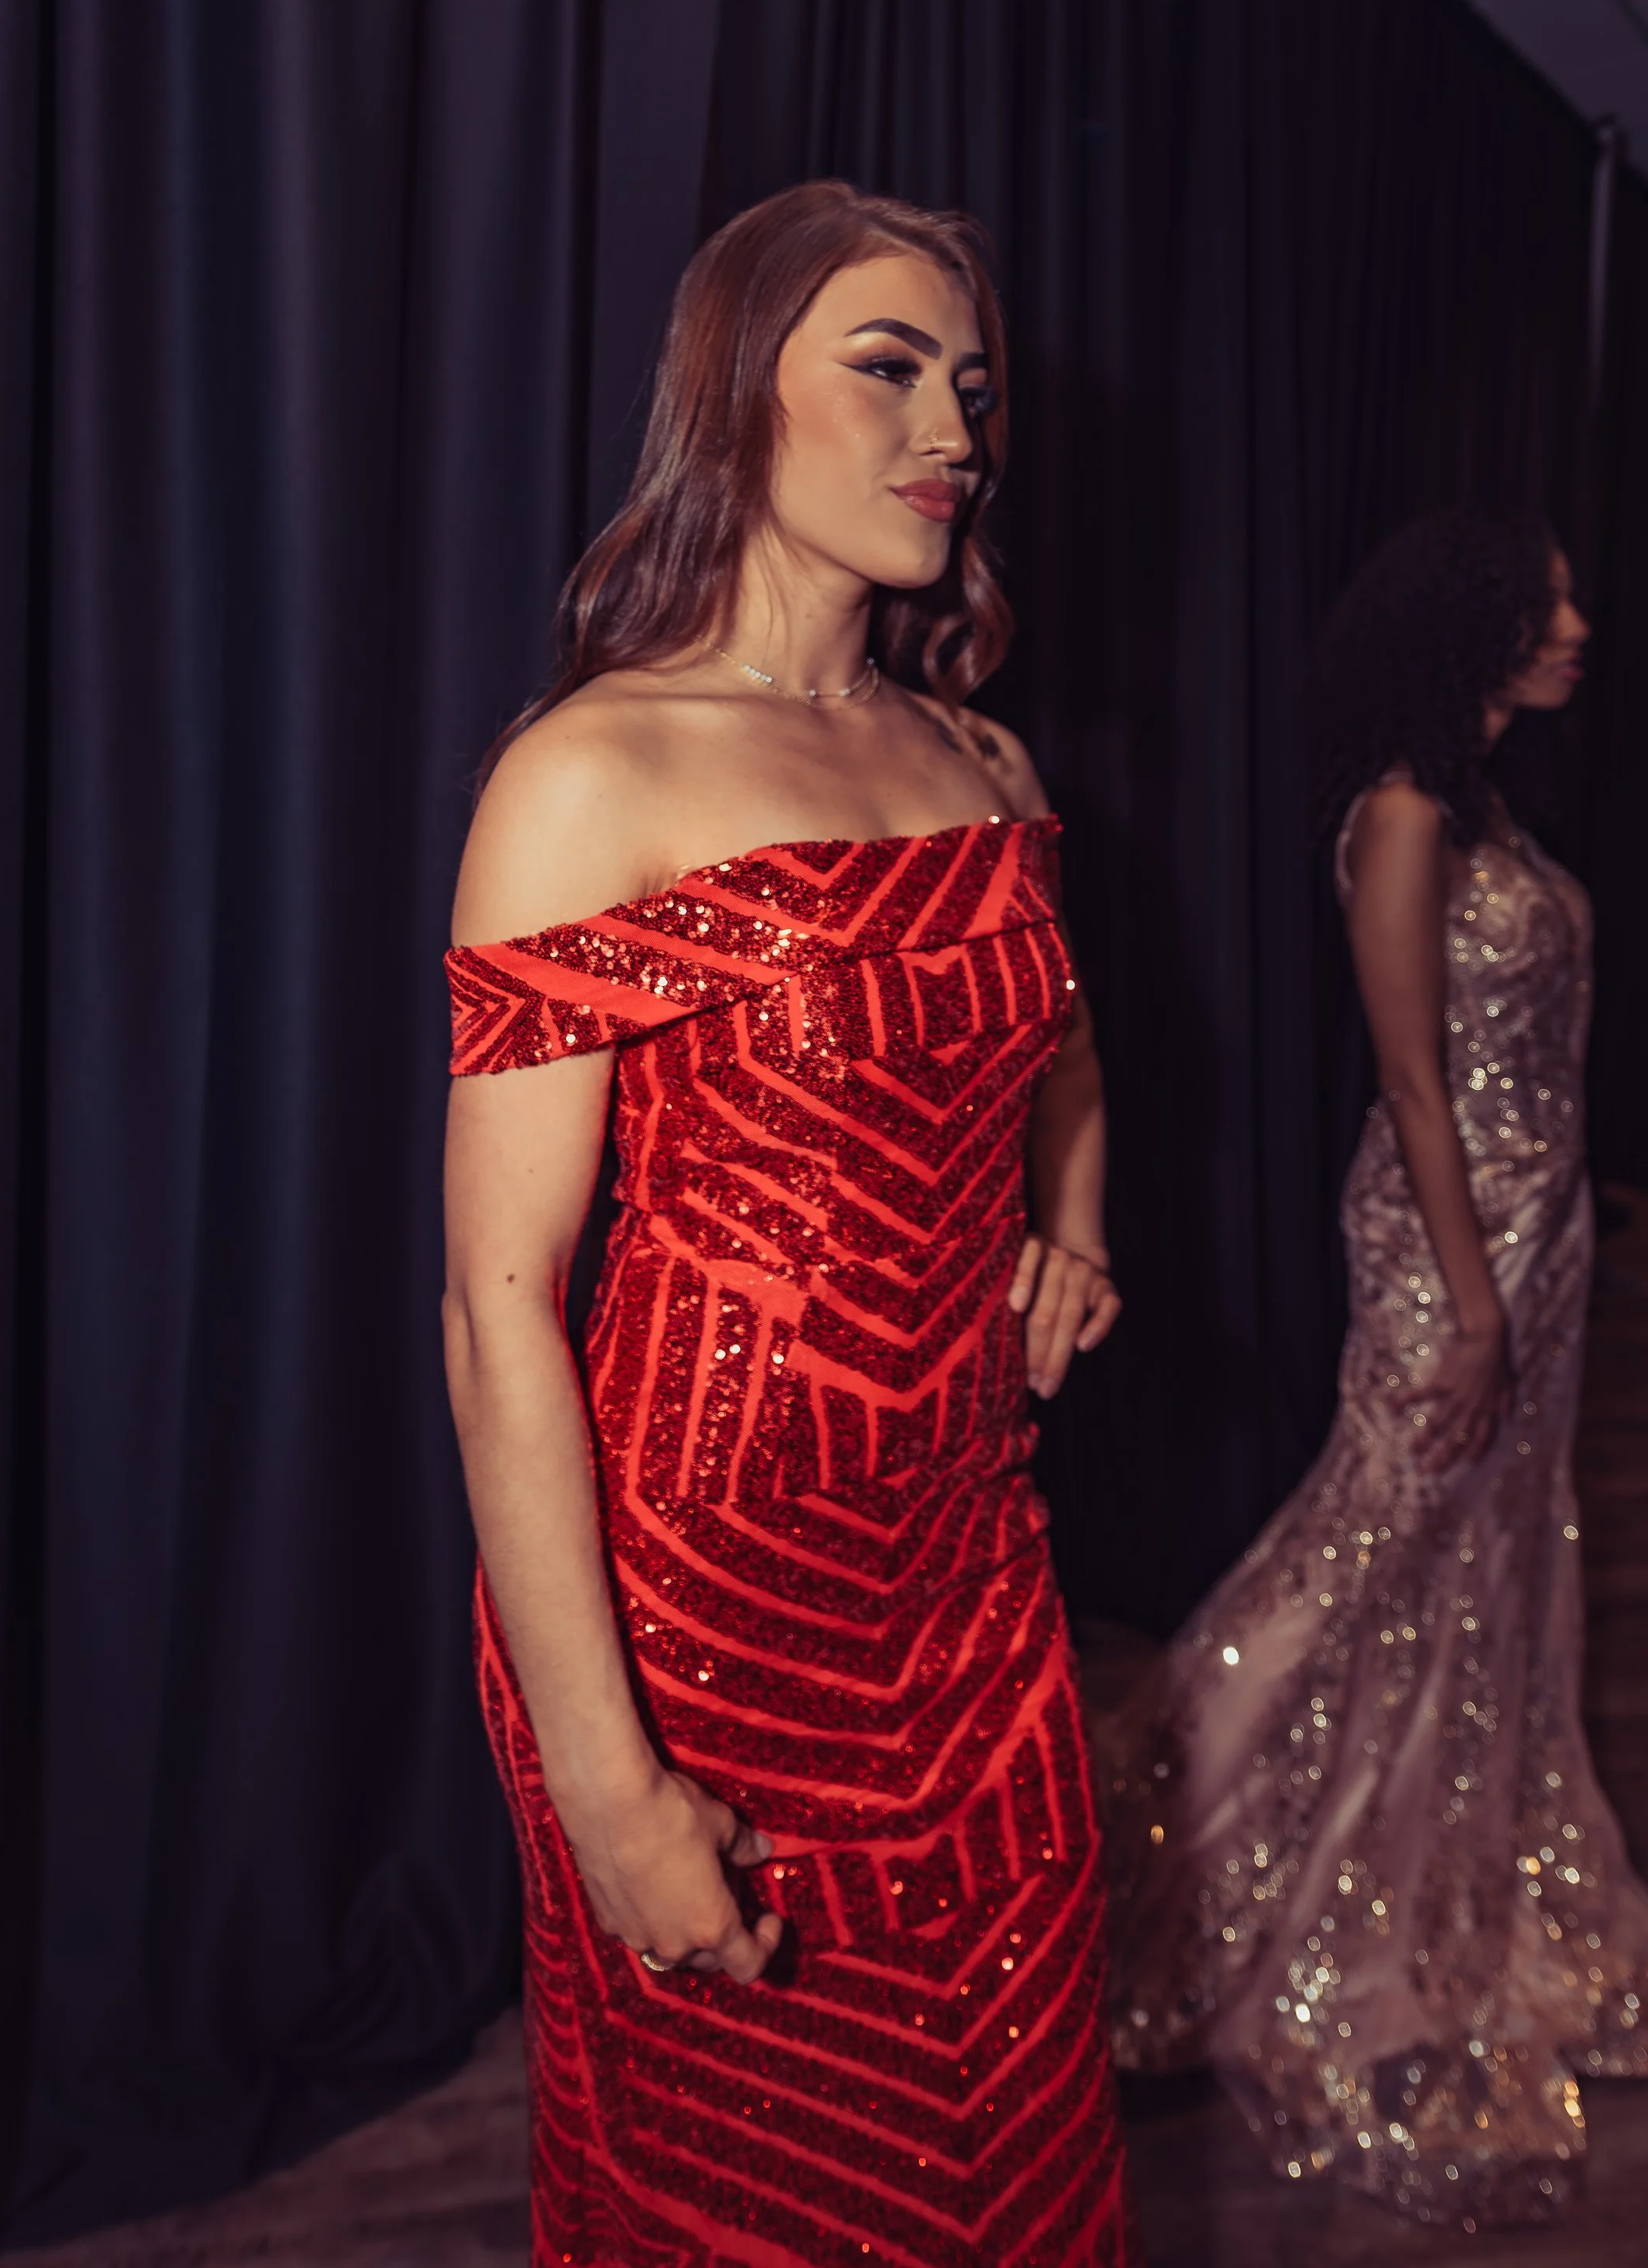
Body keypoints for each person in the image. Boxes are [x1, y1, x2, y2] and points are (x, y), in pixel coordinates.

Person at [441, 182, 1139, 2266]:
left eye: (973, 389)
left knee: (1010, 2146)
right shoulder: (592, 773)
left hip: (970, 1577)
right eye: (889, 367)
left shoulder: (979, 756)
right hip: (695, 1616)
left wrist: (1069, 1227)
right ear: (736, 392)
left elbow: (1062, 1055)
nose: (951, 431)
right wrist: (610, 1787)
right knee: (755, 2193)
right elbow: (494, 1310)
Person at [1098, 509, 1648, 2230]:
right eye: (1546, 602)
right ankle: (1162, 1821)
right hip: (1448, 1251)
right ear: (1472, 626)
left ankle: (1430, 1866)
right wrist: (1472, 1302)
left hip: (1537, 1238)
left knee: (1474, 1567)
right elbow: (1414, 1082)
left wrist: (1535, 1268)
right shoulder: (1407, 816)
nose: (1576, 624)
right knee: (1366, 1546)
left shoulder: (1485, 805)